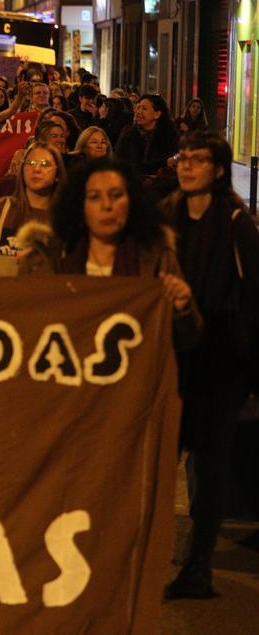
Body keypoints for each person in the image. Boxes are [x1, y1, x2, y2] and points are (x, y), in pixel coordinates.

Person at [160, 131, 259, 599]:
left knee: (212, 461)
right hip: (176, 352)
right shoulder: (167, 215)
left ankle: (198, 566)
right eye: (184, 157)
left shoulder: (237, 221)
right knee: (164, 454)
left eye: (199, 160)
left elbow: (254, 296)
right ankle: (158, 550)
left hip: (222, 358)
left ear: (219, 171)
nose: (188, 166)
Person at [17, 158, 200, 343]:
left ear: (131, 201)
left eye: (116, 195)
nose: (107, 205)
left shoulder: (156, 257)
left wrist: (182, 308)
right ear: (80, 205)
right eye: (95, 197)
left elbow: (186, 339)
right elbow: (23, 326)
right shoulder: (48, 258)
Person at [0, 142, 64, 258]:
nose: (36, 169)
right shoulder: (5, 207)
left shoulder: (62, 217)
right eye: (31, 163)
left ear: (57, 174)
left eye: (45, 164)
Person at [115, 94, 180, 188]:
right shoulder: (128, 133)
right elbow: (120, 162)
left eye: (144, 109)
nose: (138, 112)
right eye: (138, 108)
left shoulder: (169, 135)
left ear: (157, 114)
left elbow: (171, 164)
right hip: (131, 186)